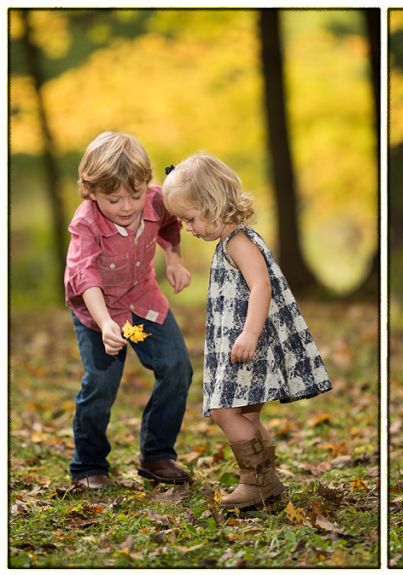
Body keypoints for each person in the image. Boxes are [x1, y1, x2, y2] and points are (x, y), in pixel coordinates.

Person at [162, 153, 332, 508]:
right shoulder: (231, 241)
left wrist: (250, 333)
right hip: (243, 342)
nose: (188, 228)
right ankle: (265, 483)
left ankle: (257, 481)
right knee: (246, 413)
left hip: (250, 343)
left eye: (190, 219)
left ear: (212, 205)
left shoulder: (239, 241)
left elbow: (261, 286)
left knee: (225, 411)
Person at [64, 131, 194, 490]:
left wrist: (174, 259)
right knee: (101, 384)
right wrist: (105, 323)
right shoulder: (86, 222)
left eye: (134, 195)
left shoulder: (155, 202)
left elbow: (170, 223)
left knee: (177, 367)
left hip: (143, 299)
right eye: (113, 198)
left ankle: (157, 455)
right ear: (91, 191)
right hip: (97, 311)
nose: (126, 206)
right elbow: (85, 275)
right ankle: (89, 466)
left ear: (146, 185)